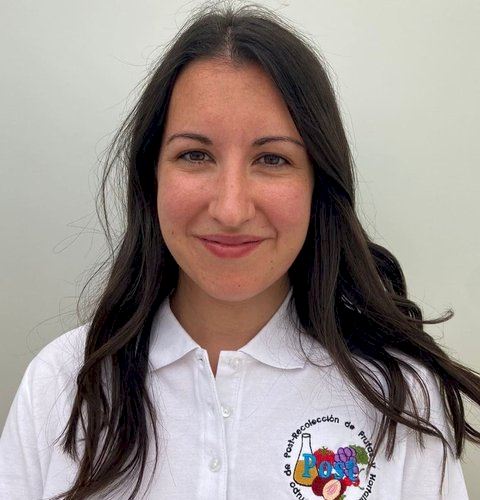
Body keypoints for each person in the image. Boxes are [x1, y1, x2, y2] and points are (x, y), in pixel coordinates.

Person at [1, 2, 479, 499]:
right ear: (152, 176)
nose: (230, 209)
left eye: (272, 159)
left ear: (317, 183)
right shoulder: (63, 384)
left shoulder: (399, 397)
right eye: (195, 155)